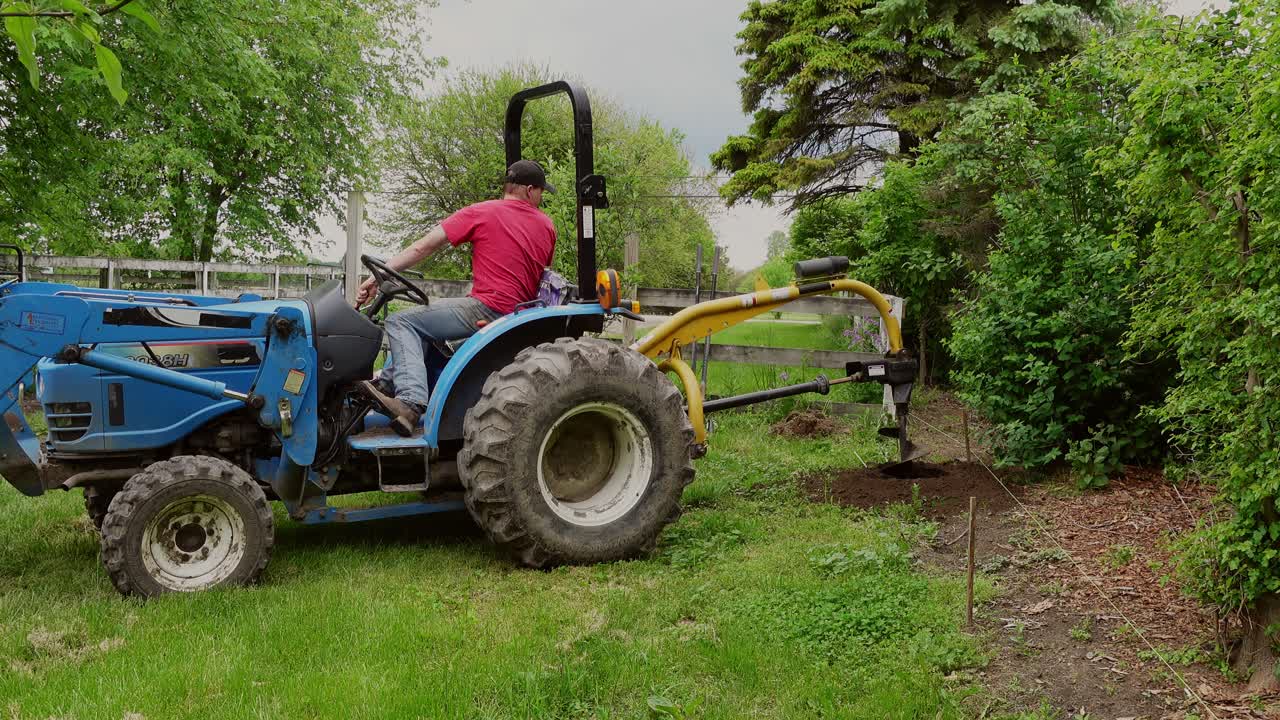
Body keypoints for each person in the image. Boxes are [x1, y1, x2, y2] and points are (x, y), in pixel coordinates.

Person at [354, 160, 558, 436]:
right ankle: (386, 386)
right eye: (542, 193)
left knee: (402, 321)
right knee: (425, 322)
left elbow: (422, 247)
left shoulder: (481, 212)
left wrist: (372, 279)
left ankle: (410, 403)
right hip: (516, 313)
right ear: (531, 190)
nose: (541, 198)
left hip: (487, 308)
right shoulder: (547, 226)